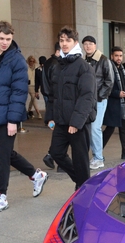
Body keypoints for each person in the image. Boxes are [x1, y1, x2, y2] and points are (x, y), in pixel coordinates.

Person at [0, 21, 48, 214]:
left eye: (8, 39)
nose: (5, 42)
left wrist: (13, 121)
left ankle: (0, 196)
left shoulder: (17, 60)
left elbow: (19, 92)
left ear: (12, 38)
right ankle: (36, 175)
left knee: (0, 154)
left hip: (9, 115)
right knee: (6, 153)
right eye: (1, 38)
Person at [46, 26, 97, 190]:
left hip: (78, 123)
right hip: (61, 121)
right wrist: (50, 117)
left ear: (75, 42)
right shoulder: (58, 66)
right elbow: (53, 95)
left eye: (68, 40)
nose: (64, 43)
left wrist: (76, 122)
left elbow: (87, 96)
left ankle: (83, 189)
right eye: (61, 40)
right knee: (56, 153)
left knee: (80, 160)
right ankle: (82, 182)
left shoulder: (84, 67)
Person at [82, 35, 113, 170]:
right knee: (89, 129)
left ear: (95, 45)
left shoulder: (103, 60)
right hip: (87, 100)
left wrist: (99, 97)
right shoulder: (84, 61)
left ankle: (99, 158)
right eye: (85, 44)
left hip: (99, 101)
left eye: (90, 43)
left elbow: (109, 81)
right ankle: (95, 156)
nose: (88, 46)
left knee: (95, 128)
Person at [103, 46, 125, 159]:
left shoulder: (122, 68)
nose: (119, 58)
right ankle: (97, 152)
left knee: (124, 129)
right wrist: (117, 94)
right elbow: (105, 86)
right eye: (116, 56)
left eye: (120, 56)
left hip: (123, 105)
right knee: (109, 129)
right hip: (113, 104)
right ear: (112, 56)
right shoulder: (109, 68)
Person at [41, 43, 61, 170]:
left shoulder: (48, 62)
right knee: (60, 131)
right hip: (55, 100)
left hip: (50, 99)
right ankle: (53, 155)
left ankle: (52, 155)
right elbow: (56, 85)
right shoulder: (56, 64)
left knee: (58, 130)